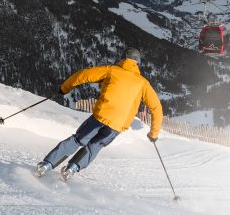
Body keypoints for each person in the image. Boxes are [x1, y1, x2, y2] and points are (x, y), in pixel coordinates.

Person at [36, 48, 163, 180]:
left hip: (100, 116)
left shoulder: (112, 70)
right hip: (117, 125)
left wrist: (64, 88)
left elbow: (83, 75)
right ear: (138, 63)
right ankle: (71, 169)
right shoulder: (143, 83)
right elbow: (156, 108)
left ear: (123, 58)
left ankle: (46, 165)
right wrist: (153, 134)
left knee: (78, 140)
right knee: (95, 145)